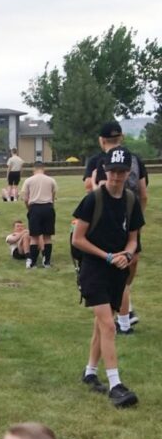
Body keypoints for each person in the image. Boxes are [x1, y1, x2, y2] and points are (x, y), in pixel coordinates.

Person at [71, 145, 144, 408]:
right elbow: (77, 239)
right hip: (93, 268)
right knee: (109, 326)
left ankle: (90, 372)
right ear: (105, 171)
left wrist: (126, 253)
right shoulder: (93, 199)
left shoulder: (130, 201)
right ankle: (116, 385)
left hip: (116, 270)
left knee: (101, 325)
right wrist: (106, 255)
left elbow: (134, 238)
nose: (116, 176)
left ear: (127, 173)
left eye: (121, 172)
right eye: (112, 171)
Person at [84, 120, 149, 333]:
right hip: (130, 224)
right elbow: (144, 194)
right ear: (121, 138)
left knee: (111, 272)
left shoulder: (98, 161)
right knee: (125, 273)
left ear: (101, 140)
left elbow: (91, 192)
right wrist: (137, 224)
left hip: (104, 228)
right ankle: (124, 316)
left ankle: (120, 317)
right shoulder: (135, 160)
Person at [20, 162, 57, 268]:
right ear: (43, 169)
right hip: (48, 207)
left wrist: (29, 209)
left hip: (35, 207)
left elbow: (26, 199)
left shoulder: (29, 180)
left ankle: (33, 262)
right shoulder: (51, 180)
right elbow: (53, 196)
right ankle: (47, 262)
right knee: (47, 237)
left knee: (34, 237)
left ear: (33, 169)